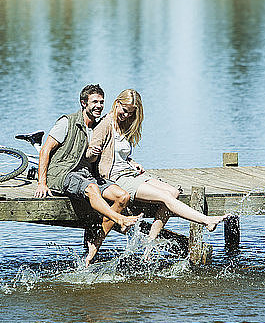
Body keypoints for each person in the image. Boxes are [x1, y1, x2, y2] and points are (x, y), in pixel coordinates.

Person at [87, 88, 229, 258]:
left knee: (173, 192)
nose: (126, 116)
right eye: (124, 111)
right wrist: (92, 152)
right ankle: (206, 220)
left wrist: (132, 162)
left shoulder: (123, 126)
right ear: (117, 103)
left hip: (130, 173)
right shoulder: (105, 125)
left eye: (131, 113)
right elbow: (91, 156)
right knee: (165, 198)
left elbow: (120, 155)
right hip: (116, 179)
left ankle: (149, 244)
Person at [34, 84, 141, 266]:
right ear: (84, 103)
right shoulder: (67, 122)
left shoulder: (100, 125)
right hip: (63, 173)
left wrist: (131, 163)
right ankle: (120, 219)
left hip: (86, 175)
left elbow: (116, 151)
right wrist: (42, 183)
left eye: (101, 102)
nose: (99, 105)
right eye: (94, 102)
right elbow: (45, 150)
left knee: (123, 196)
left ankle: (96, 241)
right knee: (92, 189)